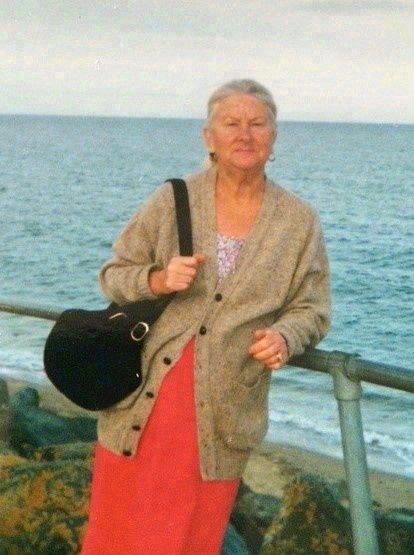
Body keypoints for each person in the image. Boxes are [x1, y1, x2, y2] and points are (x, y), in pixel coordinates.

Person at [81, 79, 331, 555]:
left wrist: (285, 337)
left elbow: (313, 309)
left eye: (257, 123)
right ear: (208, 137)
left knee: (190, 540)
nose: (245, 134)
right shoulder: (172, 199)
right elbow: (114, 274)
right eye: (231, 123)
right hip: (142, 406)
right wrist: (157, 280)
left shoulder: (299, 221)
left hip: (223, 417)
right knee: (115, 538)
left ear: (274, 137)